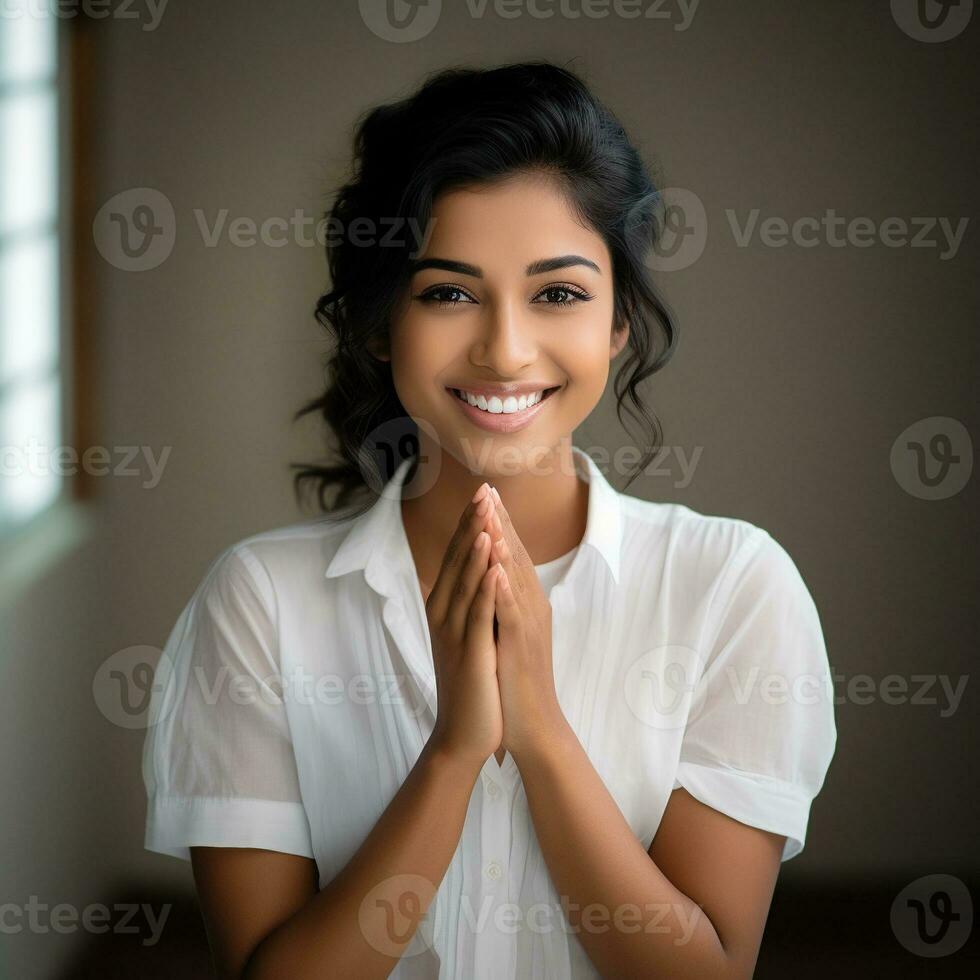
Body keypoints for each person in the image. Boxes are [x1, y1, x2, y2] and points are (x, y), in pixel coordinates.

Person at [142, 61, 837, 979]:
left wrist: (540, 731)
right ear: (380, 322)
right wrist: (454, 754)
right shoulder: (261, 602)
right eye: (448, 292)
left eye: (558, 293)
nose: (506, 349)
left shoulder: (733, 587)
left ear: (620, 319)